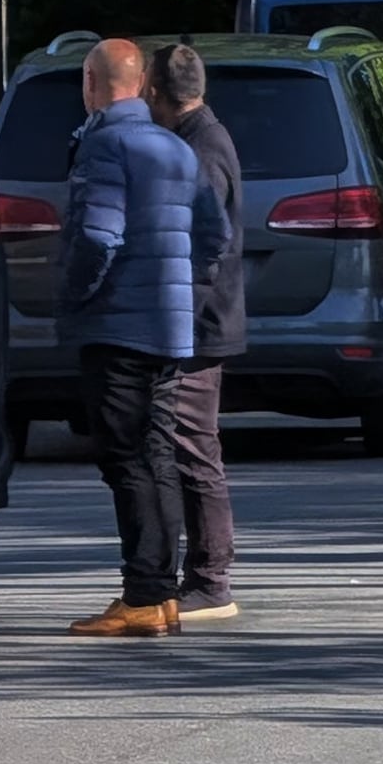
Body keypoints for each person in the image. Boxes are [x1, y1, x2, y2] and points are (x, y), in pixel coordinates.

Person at [56, 38, 220, 638]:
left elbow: (98, 237)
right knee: (155, 456)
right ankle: (162, 593)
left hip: (117, 323)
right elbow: (217, 232)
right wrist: (182, 284)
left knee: (125, 460)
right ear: (143, 82)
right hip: (169, 326)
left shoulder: (104, 143)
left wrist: (76, 294)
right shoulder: (175, 147)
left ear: (90, 82)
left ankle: (144, 596)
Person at [156, 43, 244, 621]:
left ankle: (211, 579)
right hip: (200, 318)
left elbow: (206, 242)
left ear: (156, 93)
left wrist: (178, 316)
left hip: (199, 323)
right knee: (188, 444)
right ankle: (199, 574)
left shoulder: (203, 145)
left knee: (193, 447)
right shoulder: (198, 138)